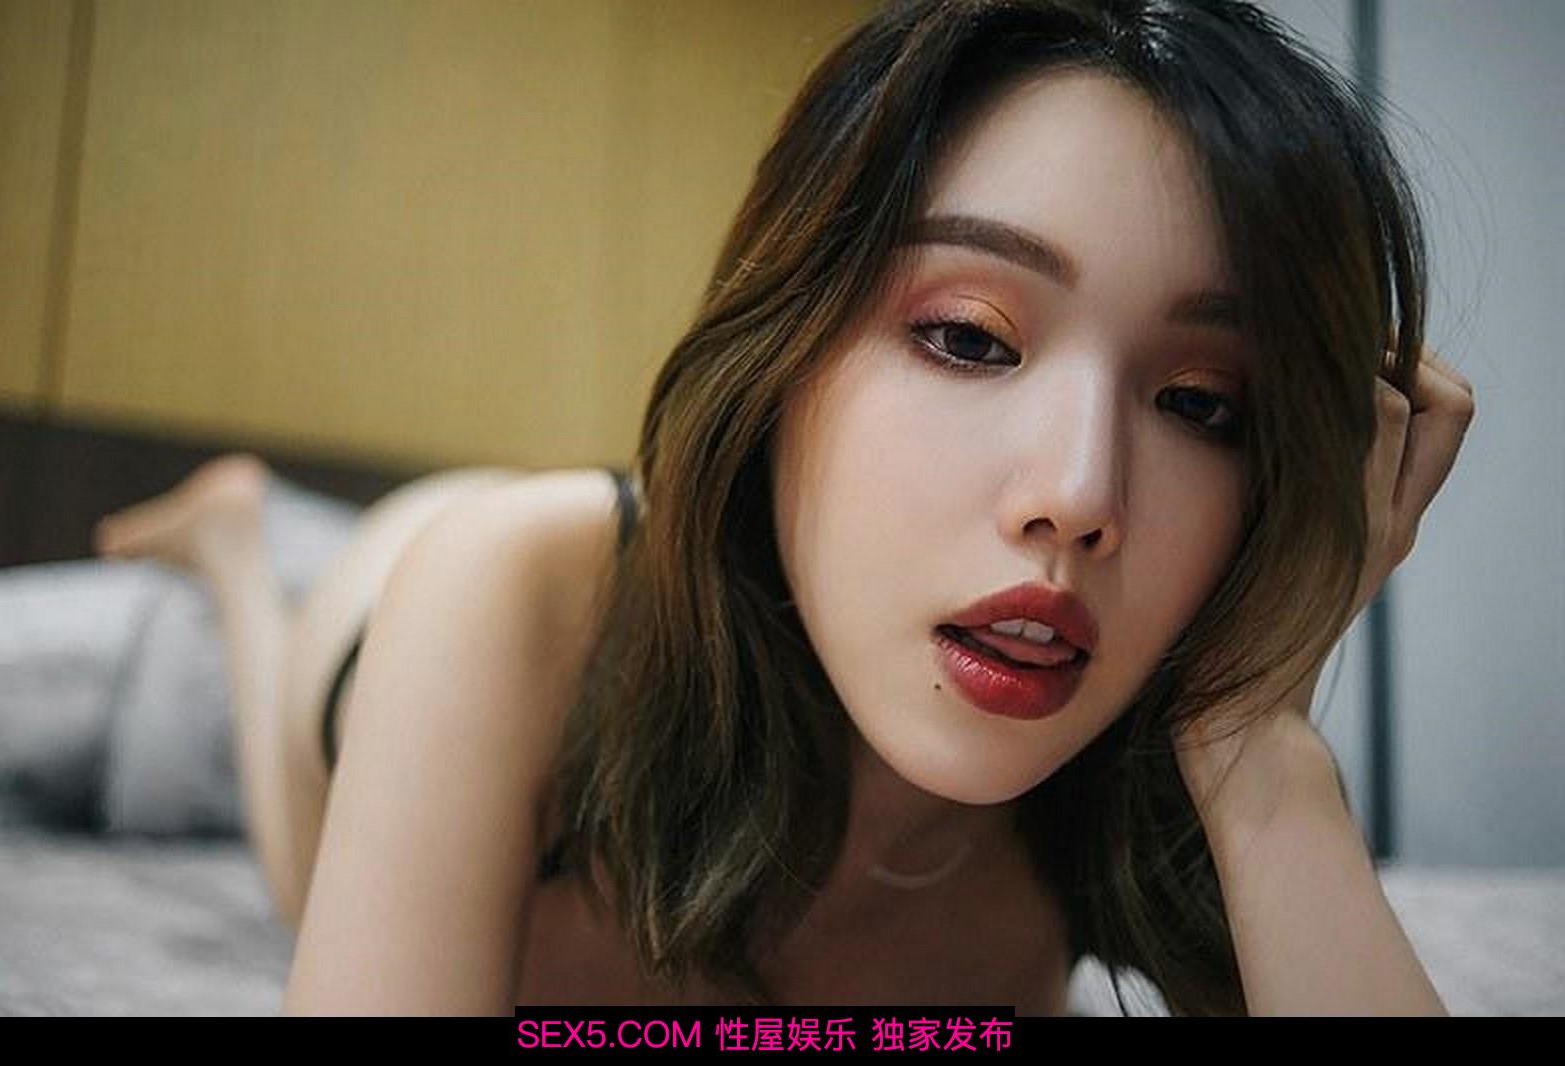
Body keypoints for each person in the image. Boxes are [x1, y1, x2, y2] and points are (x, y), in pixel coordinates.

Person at [92, 0, 1475, 1015]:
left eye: (1202, 405)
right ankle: (237, 551)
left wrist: (1260, 753)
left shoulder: (1151, 786)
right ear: (784, 354)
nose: (1077, 496)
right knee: (300, 852)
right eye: (969, 337)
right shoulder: (506, 590)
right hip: (448, 586)